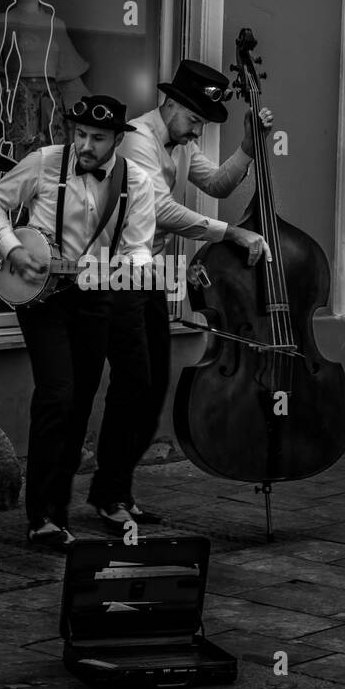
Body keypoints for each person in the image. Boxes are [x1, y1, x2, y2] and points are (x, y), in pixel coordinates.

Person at [90, 60, 273, 531]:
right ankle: (109, 493)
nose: (196, 133)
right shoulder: (135, 138)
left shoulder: (181, 141)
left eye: (202, 125)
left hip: (149, 271)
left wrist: (248, 151)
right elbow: (160, 209)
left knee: (151, 387)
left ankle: (117, 491)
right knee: (133, 384)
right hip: (114, 272)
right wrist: (230, 233)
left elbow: (215, 183)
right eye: (193, 121)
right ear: (170, 104)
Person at [0, 96, 156, 548]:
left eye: (97, 138)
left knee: (78, 401)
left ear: (118, 139)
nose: (86, 145)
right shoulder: (43, 162)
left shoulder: (136, 181)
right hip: (41, 298)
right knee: (56, 395)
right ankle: (40, 516)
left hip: (95, 296)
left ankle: (58, 510)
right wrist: (11, 249)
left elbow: (138, 248)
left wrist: (125, 268)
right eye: (79, 134)